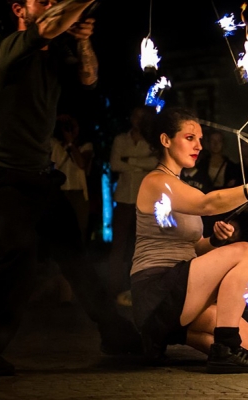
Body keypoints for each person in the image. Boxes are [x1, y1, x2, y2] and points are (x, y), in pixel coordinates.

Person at [0, 0, 141, 377]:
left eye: (52, 0)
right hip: (5, 173)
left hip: (41, 177)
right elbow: (49, 24)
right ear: (18, 9)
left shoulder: (56, 55)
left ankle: (116, 335)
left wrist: (82, 41)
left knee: (76, 258)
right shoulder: (12, 48)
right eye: (41, 1)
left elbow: (89, 78)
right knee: (21, 252)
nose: (48, 6)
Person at [130, 107, 248, 374]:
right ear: (166, 140)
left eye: (200, 139)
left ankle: (167, 334)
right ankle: (226, 349)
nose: (199, 146)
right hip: (156, 289)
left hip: (181, 292)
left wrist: (214, 241)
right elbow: (209, 203)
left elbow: (192, 248)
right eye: (190, 137)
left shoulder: (182, 188)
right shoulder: (156, 182)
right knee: (245, 251)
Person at [108, 105, 158, 304]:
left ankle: (139, 287)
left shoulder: (152, 142)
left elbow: (153, 164)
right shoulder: (121, 139)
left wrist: (129, 160)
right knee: (118, 245)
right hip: (123, 199)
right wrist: (140, 162)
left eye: (141, 117)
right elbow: (114, 164)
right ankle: (114, 288)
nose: (137, 120)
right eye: (135, 116)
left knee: (141, 245)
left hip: (143, 201)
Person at [50, 113, 94, 245]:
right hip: (61, 192)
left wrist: (71, 144)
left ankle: (80, 260)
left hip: (78, 193)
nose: (72, 129)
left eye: (74, 126)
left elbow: (81, 163)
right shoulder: (56, 146)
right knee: (60, 230)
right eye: (68, 126)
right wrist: (55, 119)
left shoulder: (86, 146)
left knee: (80, 229)